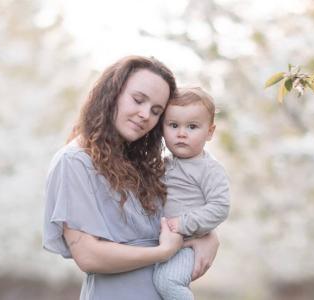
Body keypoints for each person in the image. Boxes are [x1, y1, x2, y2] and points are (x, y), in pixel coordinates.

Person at [42, 56, 220, 300]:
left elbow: (174, 221)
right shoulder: (74, 162)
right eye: (138, 100)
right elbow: (88, 255)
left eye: (156, 111)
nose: (145, 114)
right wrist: (164, 251)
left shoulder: (143, 165)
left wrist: (208, 237)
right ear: (112, 94)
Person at [152, 87, 231, 300]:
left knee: (167, 282)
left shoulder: (209, 169)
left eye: (192, 126)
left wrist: (184, 223)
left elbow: (220, 207)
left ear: (210, 132)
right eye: (173, 125)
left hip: (188, 243)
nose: (181, 133)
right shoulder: (163, 164)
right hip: (164, 241)